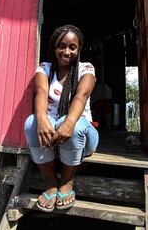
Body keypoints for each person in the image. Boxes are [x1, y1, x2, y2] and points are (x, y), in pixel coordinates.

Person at [24, 25, 98, 211]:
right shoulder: (45, 68)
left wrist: (70, 122)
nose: (67, 52)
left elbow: (81, 95)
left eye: (72, 47)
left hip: (83, 136)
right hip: (51, 137)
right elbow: (41, 91)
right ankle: (51, 183)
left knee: (71, 123)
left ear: (79, 49)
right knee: (31, 122)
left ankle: (66, 181)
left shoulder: (86, 69)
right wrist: (41, 118)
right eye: (62, 46)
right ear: (54, 48)